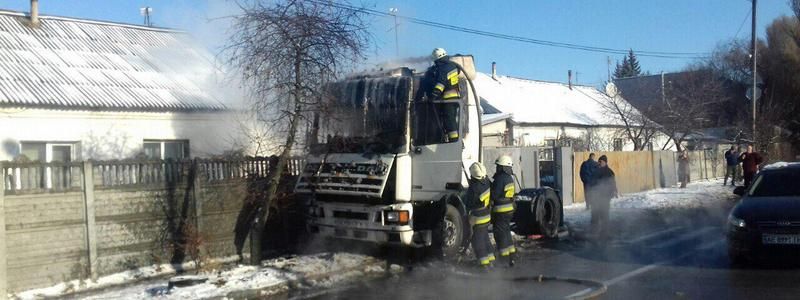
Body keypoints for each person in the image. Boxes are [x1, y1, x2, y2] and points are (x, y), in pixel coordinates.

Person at [420, 47, 461, 142]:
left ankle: (454, 141)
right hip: (455, 96)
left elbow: (441, 84)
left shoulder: (443, 68)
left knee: (449, 120)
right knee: (450, 119)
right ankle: (453, 139)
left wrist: (433, 96)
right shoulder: (451, 65)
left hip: (449, 98)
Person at [465, 162, 495, 269]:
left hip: (477, 217)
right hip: (486, 215)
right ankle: (491, 260)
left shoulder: (474, 188)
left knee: (478, 242)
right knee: (485, 238)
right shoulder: (486, 182)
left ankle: (483, 264)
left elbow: (469, 203)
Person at [491, 155, 517, 267]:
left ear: (502, 167)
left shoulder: (500, 178)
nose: (497, 168)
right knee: (506, 233)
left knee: (500, 234)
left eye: (498, 166)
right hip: (509, 210)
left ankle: (504, 259)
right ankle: (511, 256)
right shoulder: (509, 178)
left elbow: (495, 195)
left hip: (500, 210)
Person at [590, 155, 617, 238]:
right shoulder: (596, 171)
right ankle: (593, 231)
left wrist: (613, 192)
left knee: (604, 215)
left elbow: (612, 183)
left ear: (605, 162)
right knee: (595, 214)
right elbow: (592, 183)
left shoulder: (609, 172)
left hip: (605, 197)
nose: (599, 163)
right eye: (598, 161)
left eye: (600, 161)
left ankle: (604, 232)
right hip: (596, 197)